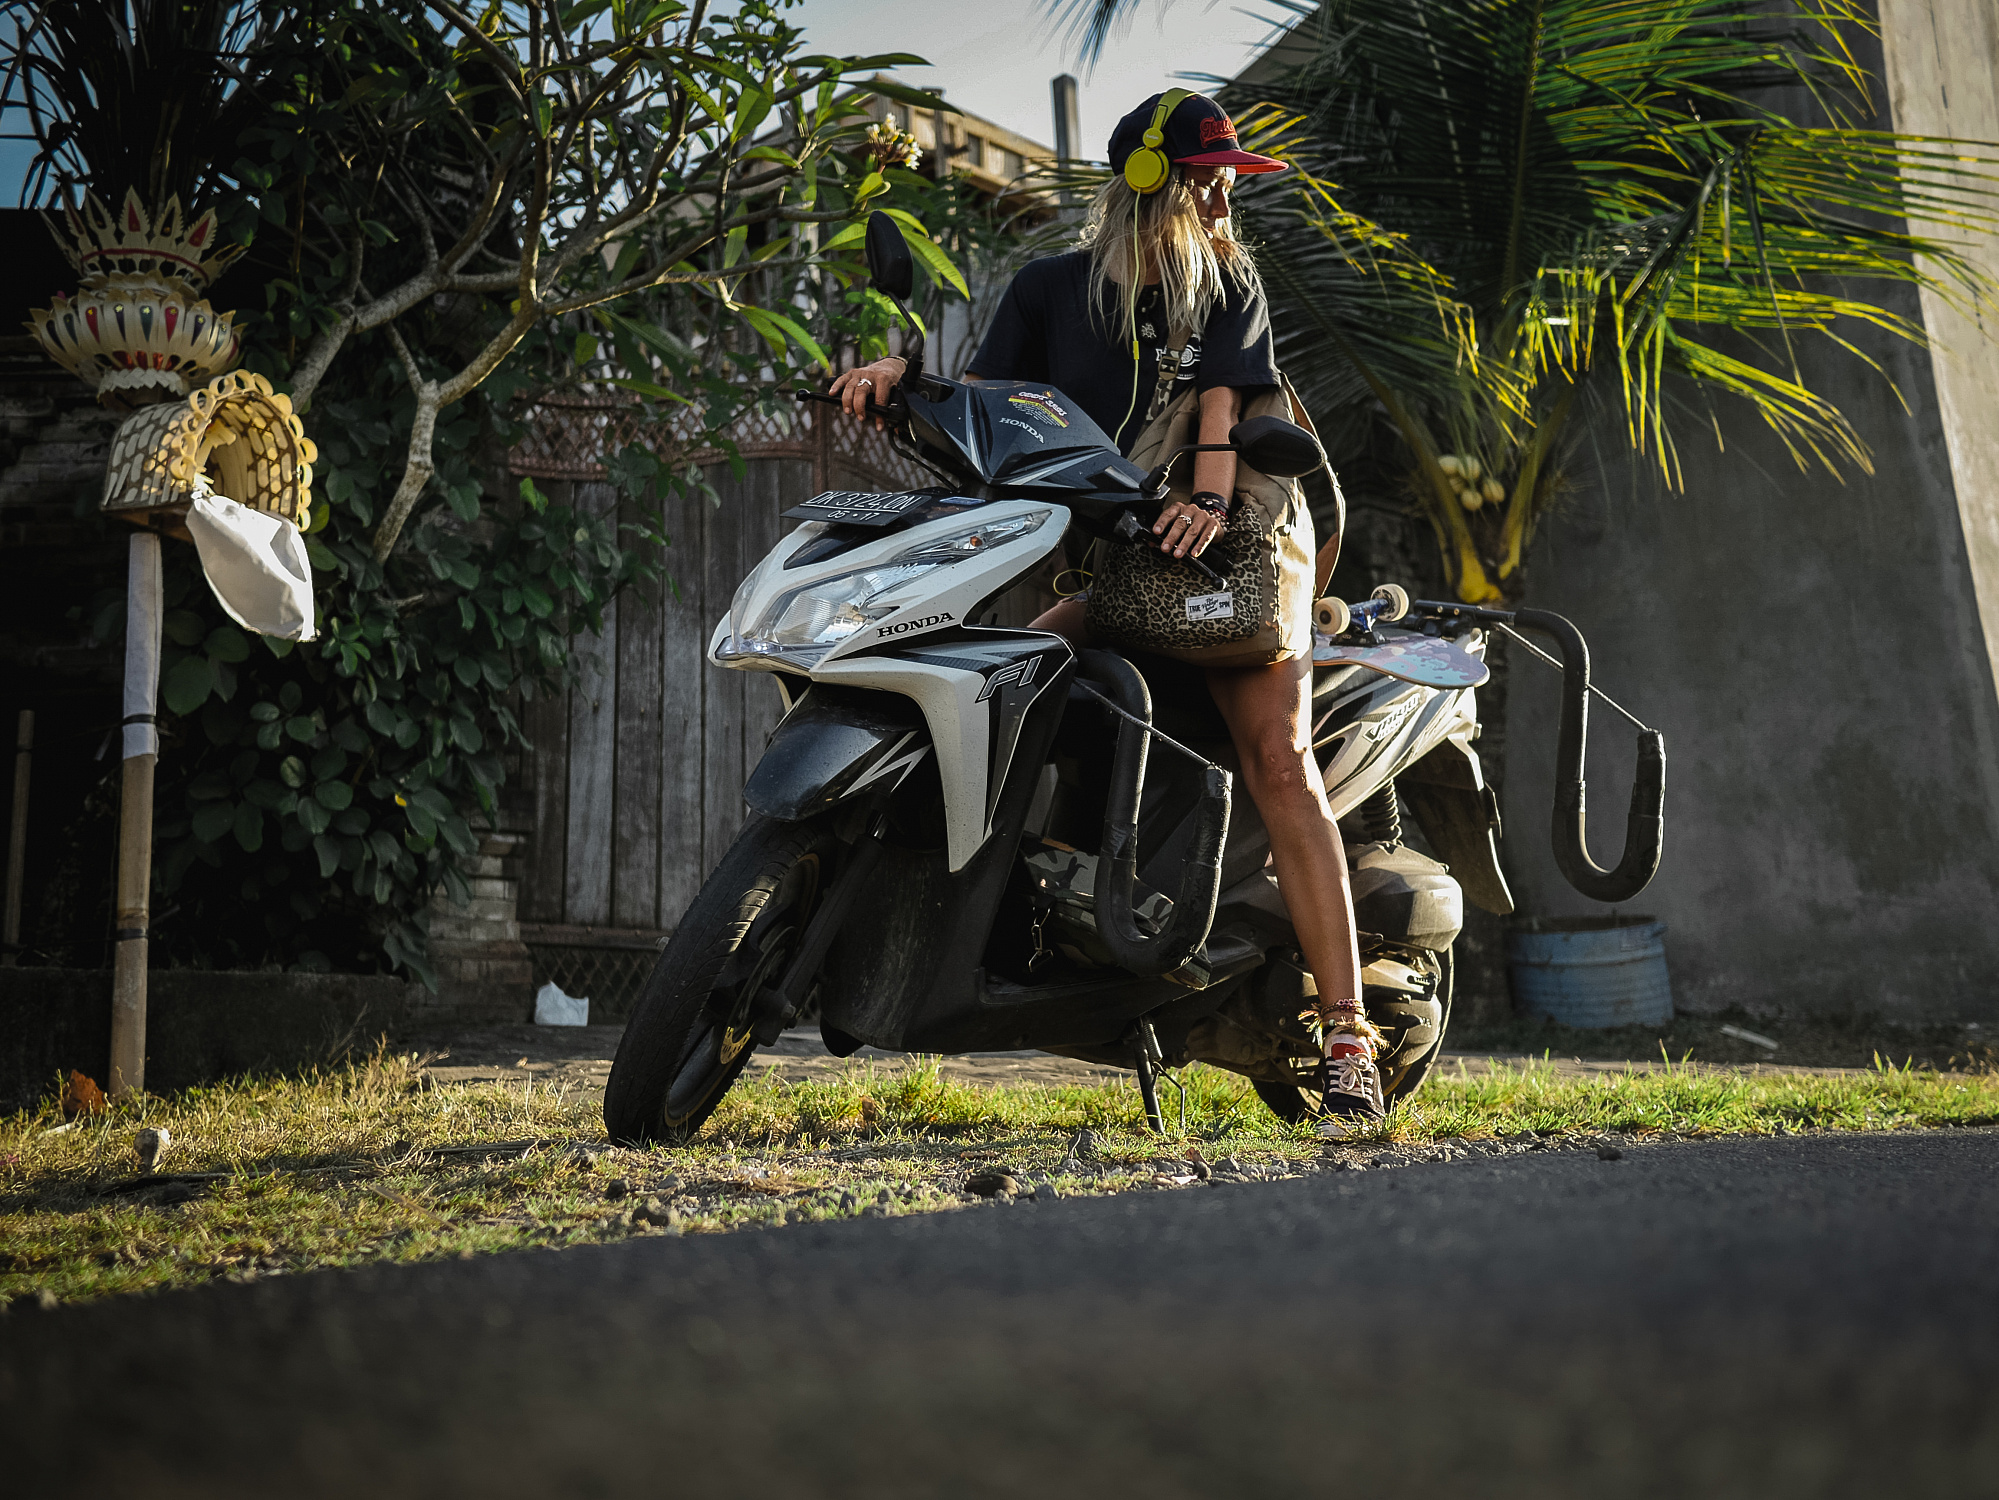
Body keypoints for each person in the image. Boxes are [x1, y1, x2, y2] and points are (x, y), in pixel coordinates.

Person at [827, 92, 1383, 1130]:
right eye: (1207, 178)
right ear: (1148, 180)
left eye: (1228, 181)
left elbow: (1221, 406)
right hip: (1117, 564)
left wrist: (1205, 502)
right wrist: (903, 378)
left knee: (1278, 760)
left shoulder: (1227, 282)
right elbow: (989, 404)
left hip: (1236, 548)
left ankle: (1348, 1035)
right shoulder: (1047, 289)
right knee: (989, 691)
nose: (1223, 197)